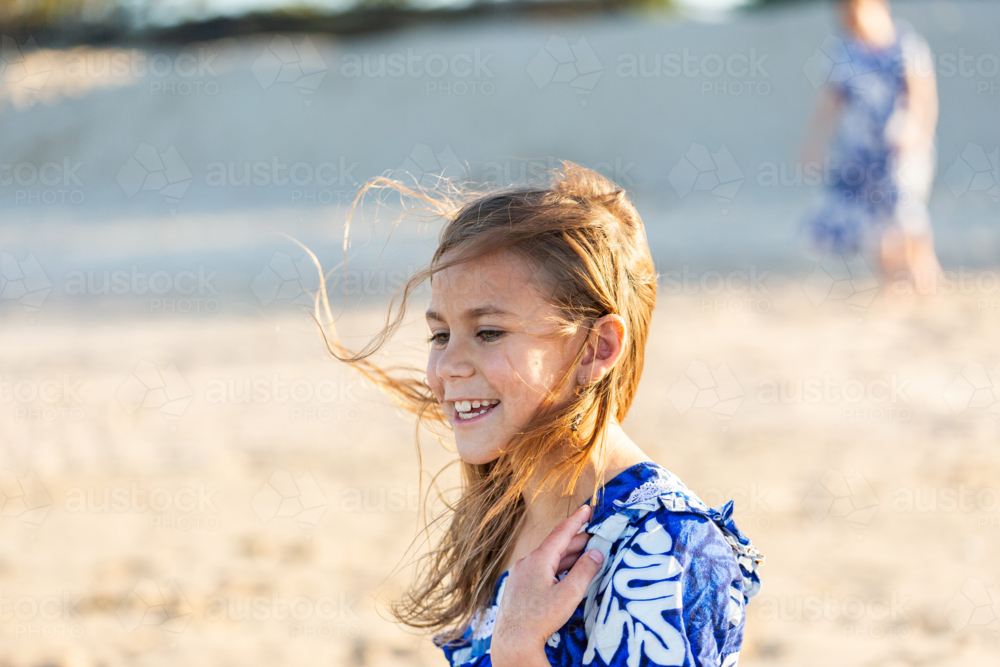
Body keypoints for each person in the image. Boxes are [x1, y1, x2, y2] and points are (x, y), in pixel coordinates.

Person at [309, 163, 763, 666]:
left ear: (596, 348)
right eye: (441, 335)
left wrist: (519, 648)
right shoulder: (508, 515)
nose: (448, 368)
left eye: (488, 333)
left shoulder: (668, 548)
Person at [800, 0, 943, 293]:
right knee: (876, 226)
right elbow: (829, 104)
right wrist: (814, 143)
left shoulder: (906, 46)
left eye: (855, 12)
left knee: (907, 218)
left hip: (901, 151)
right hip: (861, 153)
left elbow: (923, 97)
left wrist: (916, 131)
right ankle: (891, 287)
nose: (850, 20)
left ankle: (927, 283)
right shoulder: (844, 53)